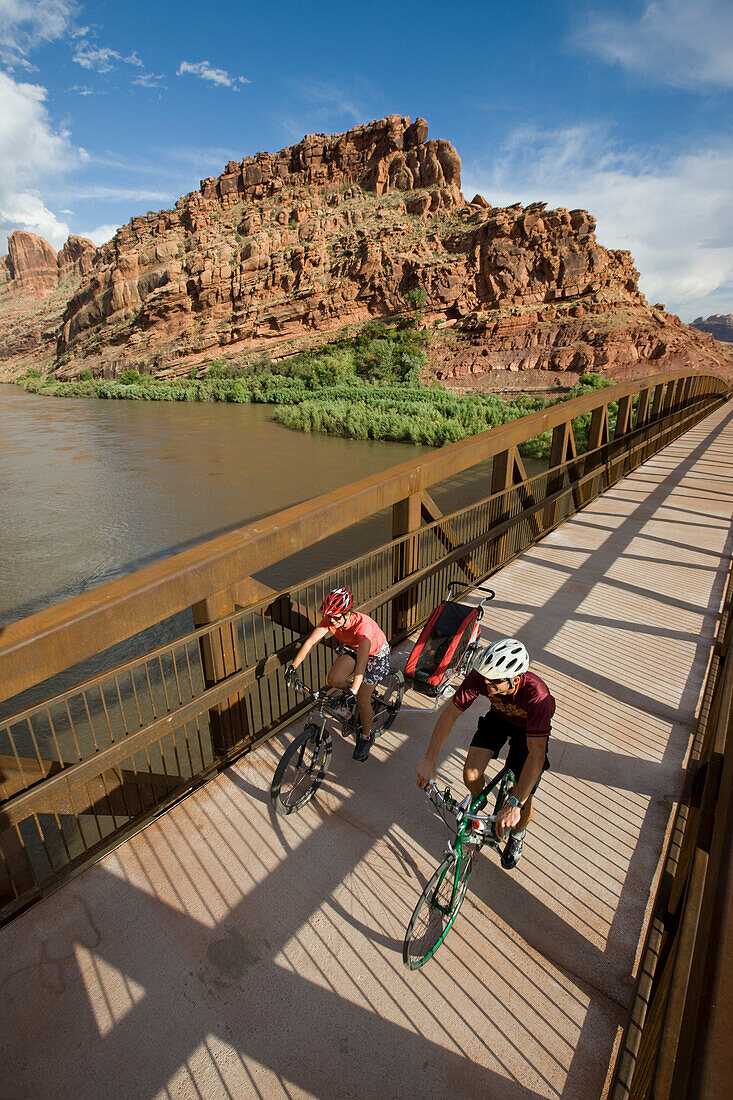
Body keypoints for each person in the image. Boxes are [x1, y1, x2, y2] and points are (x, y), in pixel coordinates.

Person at [415, 637, 555, 870]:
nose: (487, 687)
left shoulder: (538, 697)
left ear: (516, 678)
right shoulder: (482, 677)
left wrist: (515, 803)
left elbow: (537, 756)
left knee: (524, 793)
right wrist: (430, 760)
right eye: (485, 680)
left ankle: (518, 834)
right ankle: (480, 802)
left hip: (527, 730)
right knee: (470, 774)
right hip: (499, 719)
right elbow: (450, 714)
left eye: (495, 683)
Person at [285, 588, 391, 762]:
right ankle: (350, 699)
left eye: (336, 617)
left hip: (373, 656)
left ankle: (366, 736)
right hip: (353, 648)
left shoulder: (363, 628)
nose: (331, 621)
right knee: (333, 679)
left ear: (347, 614)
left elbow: (362, 663)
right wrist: (293, 667)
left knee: (363, 700)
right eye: (329, 617)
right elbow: (311, 642)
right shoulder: (330, 619)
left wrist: (355, 692)